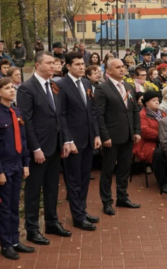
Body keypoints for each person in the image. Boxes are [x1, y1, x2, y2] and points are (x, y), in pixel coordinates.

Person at [17, 52, 72, 245]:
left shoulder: (54, 86)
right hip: (39, 148)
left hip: (56, 145)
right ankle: (32, 229)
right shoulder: (26, 88)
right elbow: (27, 121)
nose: (53, 66)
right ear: (38, 65)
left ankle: (51, 222)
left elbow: (61, 116)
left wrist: (66, 140)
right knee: (34, 190)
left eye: (54, 63)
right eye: (49, 63)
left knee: (51, 187)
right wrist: (35, 148)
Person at [0, 77, 35, 260]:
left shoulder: (17, 112)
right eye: (7, 88)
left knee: (15, 205)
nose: (12, 90)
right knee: (4, 208)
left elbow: (22, 141)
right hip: (4, 166)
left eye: (12, 87)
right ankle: (6, 244)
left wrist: (25, 163)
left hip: (17, 164)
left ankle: (15, 240)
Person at [57, 52, 101, 231]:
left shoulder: (86, 83)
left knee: (84, 178)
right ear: (68, 66)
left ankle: (82, 209)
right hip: (73, 141)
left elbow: (92, 112)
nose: (82, 67)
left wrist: (97, 134)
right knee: (73, 179)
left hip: (89, 139)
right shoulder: (61, 85)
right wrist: (68, 139)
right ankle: (77, 216)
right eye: (77, 64)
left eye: (83, 64)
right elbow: (62, 115)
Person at [94, 59, 141, 215]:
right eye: (118, 67)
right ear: (109, 71)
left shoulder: (128, 86)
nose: (122, 69)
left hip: (128, 136)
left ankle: (122, 197)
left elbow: (134, 111)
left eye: (123, 67)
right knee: (108, 170)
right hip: (111, 138)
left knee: (124, 169)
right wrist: (104, 136)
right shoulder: (102, 88)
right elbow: (99, 114)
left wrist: (136, 131)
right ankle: (107, 201)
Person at [133, 91, 167, 194]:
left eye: (158, 100)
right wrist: (162, 136)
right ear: (146, 103)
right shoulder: (142, 114)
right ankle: (162, 182)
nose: (157, 102)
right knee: (158, 153)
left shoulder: (162, 112)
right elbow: (144, 131)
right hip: (147, 143)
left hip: (163, 140)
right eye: (153, 100)